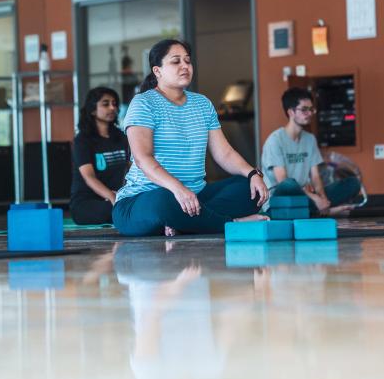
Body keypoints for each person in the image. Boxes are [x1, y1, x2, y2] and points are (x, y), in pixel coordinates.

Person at [112, 39, 269, 237]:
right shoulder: (143, 103)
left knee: (248, 189)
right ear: (157, 71)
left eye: (187, 61)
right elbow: (144, 159)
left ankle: (184, 223)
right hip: (141, 200)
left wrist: (253, 174)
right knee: (164, 202)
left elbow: (225, 153)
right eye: (176, 61)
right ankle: (231, 223)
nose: (185, 66)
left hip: (194, 196)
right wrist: (178, 189)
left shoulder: (202, 104)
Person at [261, 87, 360, 215]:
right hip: (279, 199)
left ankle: (319, 210)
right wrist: (314, 198)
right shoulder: (275, 140)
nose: (309, 113)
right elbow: (282, 182)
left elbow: (315, 177)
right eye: (304, 109)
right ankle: (319, 212)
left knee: (353, 183)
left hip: (304, 197)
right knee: (289, 185)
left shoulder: (310, 139)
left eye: (311, 109)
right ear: (291, 112)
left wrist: (323, 199)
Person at [70, 87, 129, 225]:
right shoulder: (82, 140)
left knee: (132, 207)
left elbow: (131, 169)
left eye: (114, 103)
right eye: (105, 104)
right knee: (115, 210)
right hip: (87, 202)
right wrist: (112, 196)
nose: (112, 108)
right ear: (92, 109)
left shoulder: (122, 137)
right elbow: (89, 177)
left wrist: (125, 194)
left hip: (118, 197)